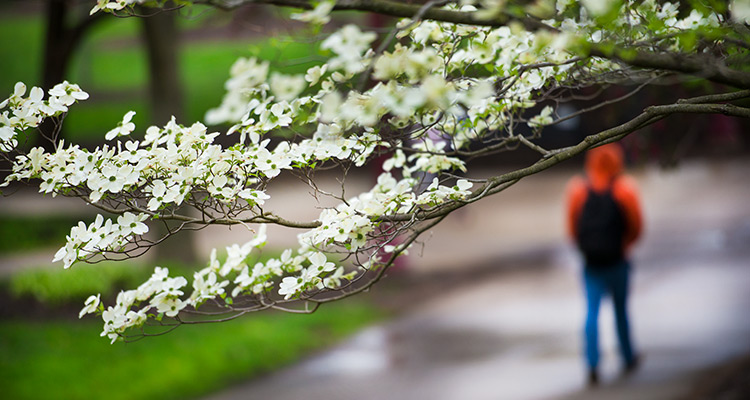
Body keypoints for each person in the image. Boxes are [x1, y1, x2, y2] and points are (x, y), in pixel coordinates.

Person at [565, 143, 643, 386]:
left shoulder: (578, 189)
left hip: (591, 264)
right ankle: (628, 357)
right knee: (621, 311)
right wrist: (622, 245)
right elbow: (637, 227)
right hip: (618, 261)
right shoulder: (625, 190)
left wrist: (586, 247)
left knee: (591, 313)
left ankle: (592, 364)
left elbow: (572, 229)